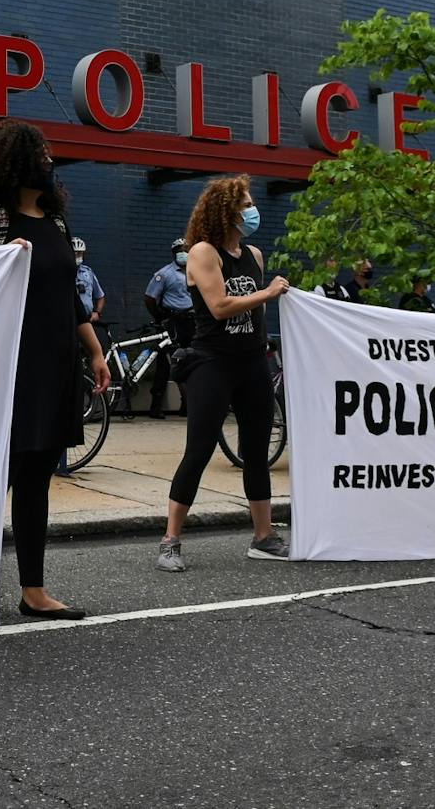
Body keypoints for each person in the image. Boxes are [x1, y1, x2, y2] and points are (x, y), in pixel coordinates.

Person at [0, 120, 108, 621]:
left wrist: (94, 352)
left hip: (56, 366)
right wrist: (0, 260)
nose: (49, 160)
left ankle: (33, 591)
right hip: (9, 372)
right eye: (40, 153)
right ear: (16, 161)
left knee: (38, 479)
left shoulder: (56, 223)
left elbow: (69, 298)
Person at [156, 175, 290, 572]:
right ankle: (170, 540)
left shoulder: (254, 254)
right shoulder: (202, 252)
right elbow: (219, 305)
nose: (252, 210)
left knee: (256, 449)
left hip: (251, 362)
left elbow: (257, 313)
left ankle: (264, 537)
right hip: (212, 361)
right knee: (199, 448)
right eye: (245, 203)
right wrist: (267, 294)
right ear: (226, 209)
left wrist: (267, 341)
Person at [142, 237, 195, 419]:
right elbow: (149, 298)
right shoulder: (164, 274)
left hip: (191, 320)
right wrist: (159, 316)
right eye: (180, 249)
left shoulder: (194, 271)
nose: (183, 252)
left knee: (191, 361)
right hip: (172, 321)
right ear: (174, 253)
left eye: (186, 249)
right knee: (165, 363)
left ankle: (187, 405)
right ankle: (156, 407)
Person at [73, 238, 105, 325]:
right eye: (74, 253)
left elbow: (100, 296)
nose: (77, 256)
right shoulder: (62, 272)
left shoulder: (88, 272)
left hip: (88, 320)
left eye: (79, 253)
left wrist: (97, 312)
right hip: (70, 320)